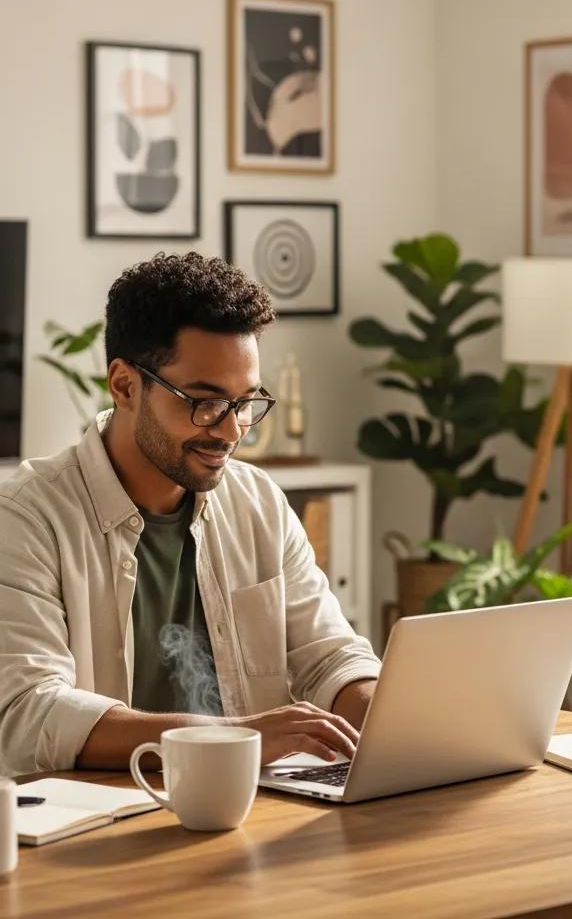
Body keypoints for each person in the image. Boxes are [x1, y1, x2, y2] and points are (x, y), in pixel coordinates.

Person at [0, 252, 380, 777]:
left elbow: (331, 657)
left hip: (257, 811)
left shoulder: (259, 503)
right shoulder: (25, 518)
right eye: (204, 401)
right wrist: (236, 738)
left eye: (245, 402)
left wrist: (393, 714)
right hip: (101, 832)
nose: (230, 430)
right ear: (125, 385)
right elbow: (29, 712)